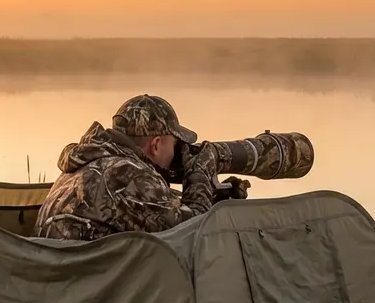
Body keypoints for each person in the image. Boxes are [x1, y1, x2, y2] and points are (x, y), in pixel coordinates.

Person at [34, 94, 234, 242]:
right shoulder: (127, 174)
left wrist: (214, 197)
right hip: (94, 291)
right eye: (174, 145)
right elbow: (194, 232)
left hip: (63, 283)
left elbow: (145, 214)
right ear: (156, 145)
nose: (176, 154)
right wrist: (199, 172)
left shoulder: (85, 162)